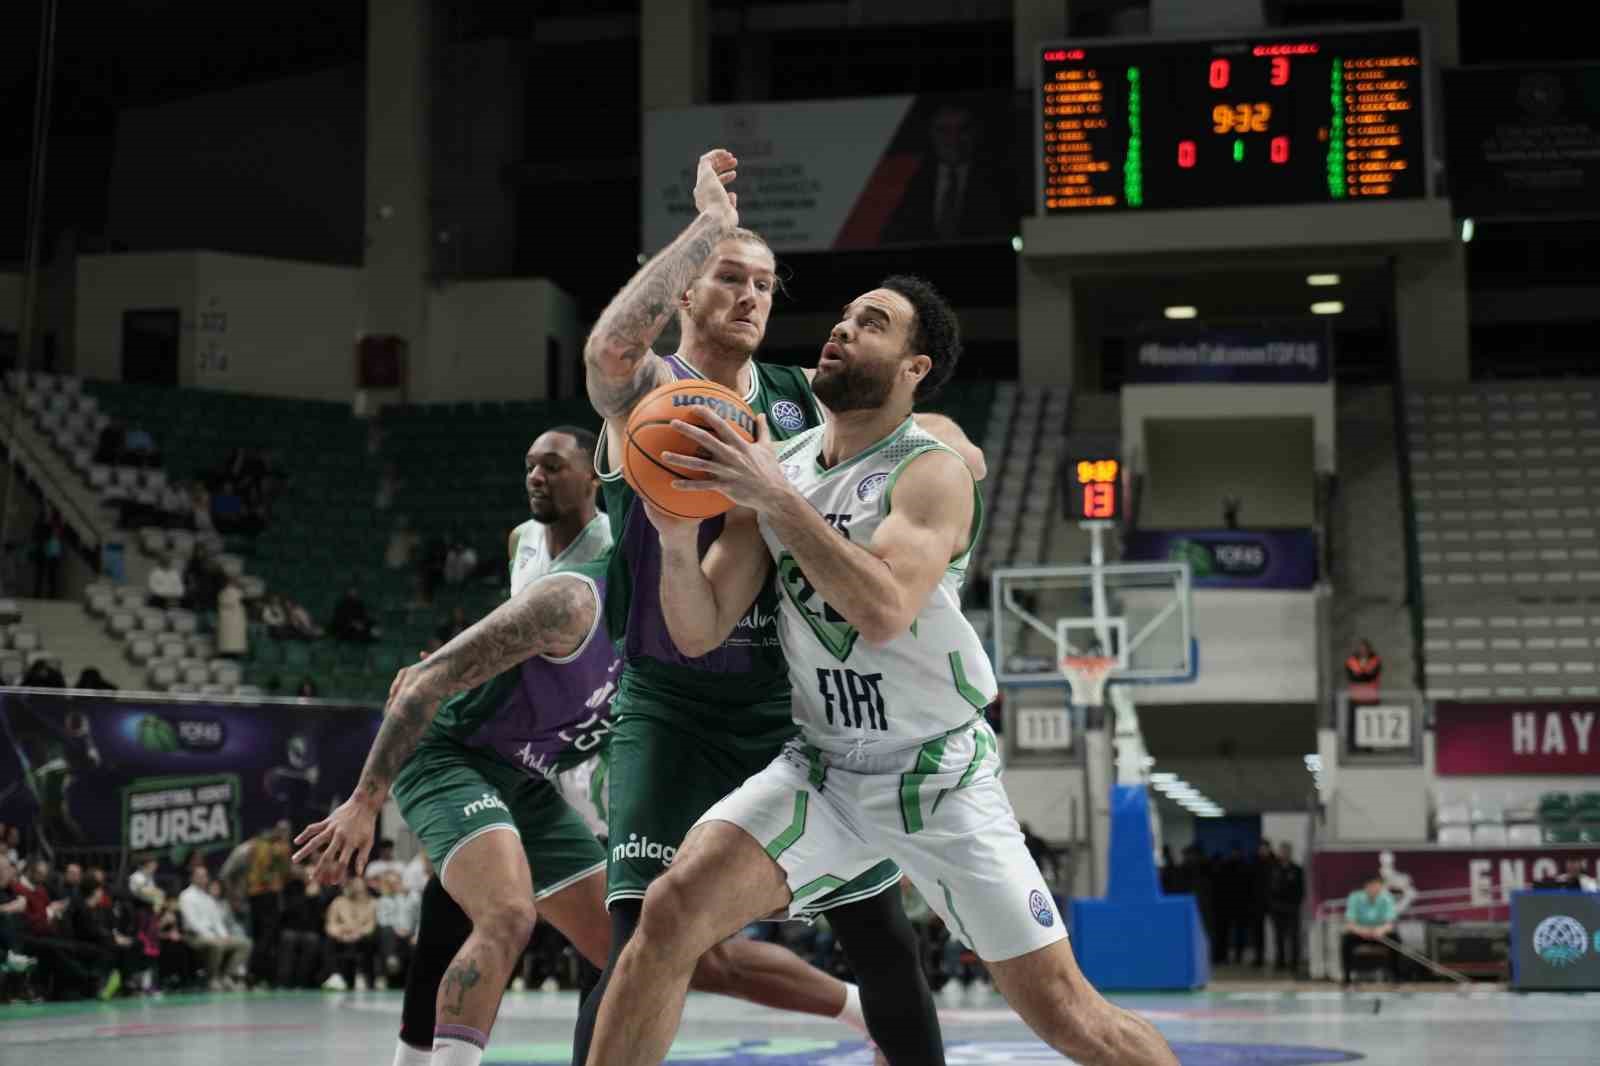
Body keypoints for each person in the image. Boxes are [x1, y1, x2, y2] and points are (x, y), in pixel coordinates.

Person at [587, 275, 1177, 1066]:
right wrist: (669, 532)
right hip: (824, 770)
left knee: (1072, 1017)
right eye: (842, 315)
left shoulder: (927, 471)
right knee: (670, 911)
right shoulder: (781, 465)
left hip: (938, 775)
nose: (841, 329)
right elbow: (698, 629)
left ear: (914, 368)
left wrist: (776, 501)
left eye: (872, 323)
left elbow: (886, 606)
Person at [294, 426, 885, 1066]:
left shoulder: (686, 627)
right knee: (506, 915)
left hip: (528, 772)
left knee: (662, 948)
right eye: (531, 466)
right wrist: (363, 801)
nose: (536, 477)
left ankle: (870, 1016)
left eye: (552, 465)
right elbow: (428, 683)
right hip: (454, 754)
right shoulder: (573, 594)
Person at [881, 102, 1013, 245]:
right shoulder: (906, 180)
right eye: (944, 130)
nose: (953, 139)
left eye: (963, 129)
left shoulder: (1001, 180)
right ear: (931, 133)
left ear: (975, 132)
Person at [177, 866, 251, 990]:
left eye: (204, 876)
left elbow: (217, 921)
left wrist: (224, 935)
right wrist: (212, 937)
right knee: (217, 945)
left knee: (245, 944)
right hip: (194, 935)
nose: (202, 878)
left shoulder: (208, 898)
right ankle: (212, 978)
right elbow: (192, 922)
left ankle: (226, 976)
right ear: (192, 878)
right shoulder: (186, 896)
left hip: (213, 935)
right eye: (199, 876)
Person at [322, 877, 378, 991]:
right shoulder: (338, 902)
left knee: (368, 941)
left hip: (361, 937)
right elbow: (330, 923)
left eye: (360, 886)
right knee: (329, 942)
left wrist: (358, 933)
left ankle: (359, 976)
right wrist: (340, 934)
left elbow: (371, 926)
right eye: (354, 885)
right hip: (341, 936)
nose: (357, 888)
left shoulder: (372, 903)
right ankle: (335, 975)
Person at [1342, 875, 1400, 985]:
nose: (1375, 889)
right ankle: (1347, 977)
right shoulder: (1355, 897)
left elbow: (1390, 923)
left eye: (1378, 886)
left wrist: (1380, 930)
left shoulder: (1387, 898)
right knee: (1346, 940)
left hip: (1380, 933)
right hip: (1361, 933)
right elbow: (1350, 923)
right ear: (1366, 886)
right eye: (1372, 886)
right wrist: (1362, 931)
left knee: (1396, 938)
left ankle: (1395, 976)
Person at [1269, 842, 1305, 974]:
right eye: (1282, 851)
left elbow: (1300, 890)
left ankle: (1294, 963)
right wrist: (1272, 904)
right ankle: (1280, 962)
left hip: (1291, 908)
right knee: (1278, 937)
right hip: (1277, 908)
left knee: (1294, 937)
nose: (1284, 854)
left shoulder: (1297, 869)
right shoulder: (1274, 869)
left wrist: (1296, 904)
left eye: (1286, 851)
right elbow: (1269, 888)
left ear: (1290, 853)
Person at [217, 578, 248, 658]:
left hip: (229, 620)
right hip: (233, 620)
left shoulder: (222, 593)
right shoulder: (237, 592)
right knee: (232, 643)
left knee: (228, 642)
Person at [1345, 638, 1382, 704]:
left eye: (1365, 649)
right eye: (1361, 649)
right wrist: (1365, 674)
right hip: (1356, 698)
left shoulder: (1376, 661)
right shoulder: (1351, 661)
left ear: (1369, 649)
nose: (1363, 651)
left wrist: (1359, 674)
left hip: (1371, 698)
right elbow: (1352, 677)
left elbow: (1371, 677)